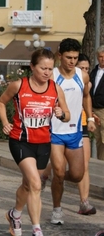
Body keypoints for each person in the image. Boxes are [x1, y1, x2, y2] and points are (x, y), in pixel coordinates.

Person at [0, 48, 70, 236]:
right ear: (32, 67)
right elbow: (1, 102)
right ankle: (37, 230)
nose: (46, 72)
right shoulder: (19, 85)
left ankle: (15, 214)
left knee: (28, 185)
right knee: (36, 184)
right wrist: (5, 123)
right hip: (20, 141)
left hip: (43, 143)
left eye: (50, 69)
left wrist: (61, 114)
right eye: (43, 68)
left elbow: (67, 114)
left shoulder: (55, 88)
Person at [48, 38, 95, 226]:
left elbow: (86, 97)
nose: (72, 61)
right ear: (60, 56)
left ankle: (53, 180)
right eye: (68, 57)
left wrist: (90, 118)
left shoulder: (82, 76)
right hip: (54, 133)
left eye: (75, 57)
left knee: (77, 175)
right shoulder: (51, 76)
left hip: (75, 131)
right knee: (59, 172)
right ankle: (57, 210)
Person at [74, 53, 96, 215]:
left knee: (84, 166)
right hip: (63, 126)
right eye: (81, 68)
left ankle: (84, 202)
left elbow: (87, 101)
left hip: (81, 125)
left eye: (87, 69)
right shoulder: (62, 80)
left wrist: (90, 117)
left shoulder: (87, 83)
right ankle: (46, 175)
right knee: (59, 168)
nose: (84, 71)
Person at [90, 45, 104, 160]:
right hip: (92, 108)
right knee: (97, 138)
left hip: (102, 109)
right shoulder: (94, 71)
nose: (103, 59)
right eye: (101, 56)